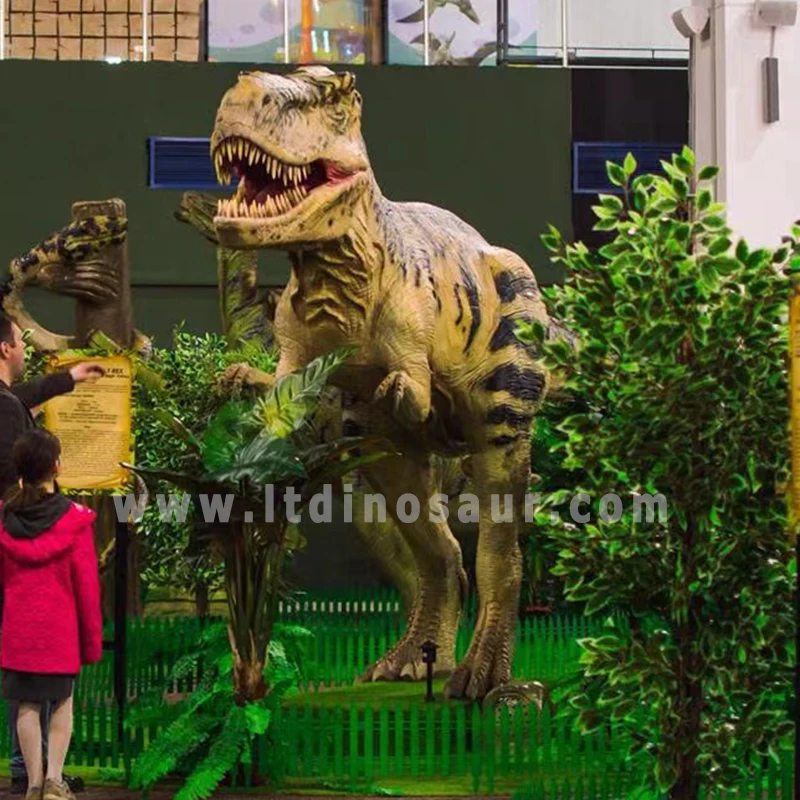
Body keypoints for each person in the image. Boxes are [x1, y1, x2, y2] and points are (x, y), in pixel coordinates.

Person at [0, 311, 104, 795]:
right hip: (58, 622)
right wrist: (92, 639)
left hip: (20, 611)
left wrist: (69, 378)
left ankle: (31, 778)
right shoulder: (72, 521)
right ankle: (47, 778)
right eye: (19, 342)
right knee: (60, 699)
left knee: (24, 695)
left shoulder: (8, 527)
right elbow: (85, 581)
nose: (24, 348)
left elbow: (21, 396)